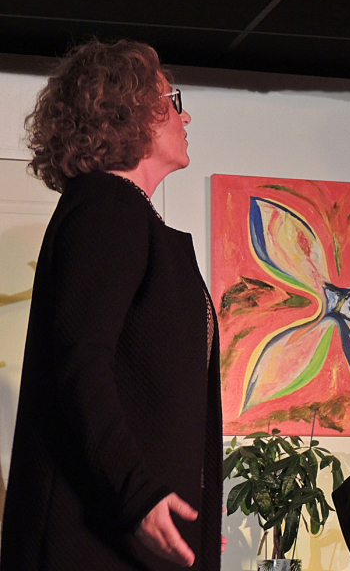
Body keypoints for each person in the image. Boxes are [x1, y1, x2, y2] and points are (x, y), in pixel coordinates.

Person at [0, 39, 224, 571]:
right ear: (128, 112)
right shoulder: (107, 208)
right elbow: (81, 363)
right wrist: (138, 495)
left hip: (129, 535)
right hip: (94, 540)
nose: (185, 115)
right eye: (171, 100)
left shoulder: (127, 215)